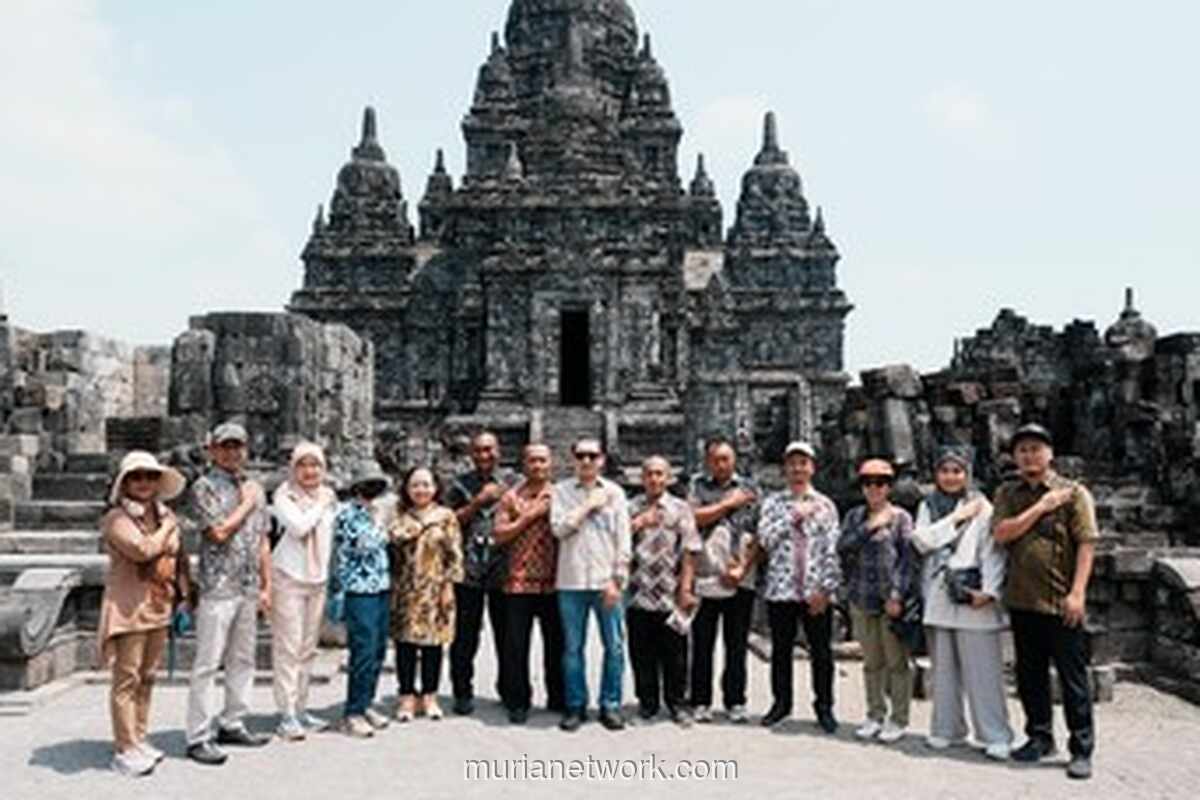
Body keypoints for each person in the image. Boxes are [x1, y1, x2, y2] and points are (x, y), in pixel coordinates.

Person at [993, 423, 1099, 780]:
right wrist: (1040, 507)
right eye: (1022, 450)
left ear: (1050, 454)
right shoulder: (1009, 493)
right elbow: (1002, 533)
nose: (1028, 456)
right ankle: (1039, 737)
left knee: (1073, 680)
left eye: (1035, 449)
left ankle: (1081, 748)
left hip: (1061, 602)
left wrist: (1078, 593)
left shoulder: (1074, 493)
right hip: (1023, 601)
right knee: (1030, 677)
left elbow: (1086, 543)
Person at [910, 445, 1013, 760]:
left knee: (983, 671)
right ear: (936, 474)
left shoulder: (982, 505)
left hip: (973, 595)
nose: (951, 477)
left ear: (966, 474)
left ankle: (995, 733)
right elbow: (922, 541)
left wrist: (991, 591)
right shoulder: (928, 505)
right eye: (945, 470)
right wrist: (956, 517)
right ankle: (947, 728)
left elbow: (993, 551)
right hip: (940, 594)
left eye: (957, 471)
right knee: (943, 671)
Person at [185, 422, 273, 765]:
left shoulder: (255, 488)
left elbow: (263, 538)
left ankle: (233, 720)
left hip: (249, 585)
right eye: (225, 446)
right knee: (207, 662)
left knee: (243, 658)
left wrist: (267, 585)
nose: (232, 452)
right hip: (218, 585)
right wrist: (247, 504)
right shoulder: (203, 487)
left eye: (238, 446)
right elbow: (218, 532)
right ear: (212, 450)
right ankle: (198, 735)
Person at [99, 451, 188, 776]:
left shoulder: (162, 516)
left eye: (150, 477)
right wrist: (167, 528)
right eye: (137, 477)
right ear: (124, 483)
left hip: (157, 603)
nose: (144, 483)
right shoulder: (116, 519)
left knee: (148, 675)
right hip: (128, 605)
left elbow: (174, 552)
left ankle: (139, 735)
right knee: (127, 677)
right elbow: (141, 549)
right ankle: (124, 746)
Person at [756, 440, 841, 732]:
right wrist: (793, 517)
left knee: (822, 653)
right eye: (792, 463)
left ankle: (825, 706)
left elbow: (832, 550)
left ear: (812, 468)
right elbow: (765, 539)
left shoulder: (826, 505)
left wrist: (827, 589)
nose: (797, 468)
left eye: (803, 463)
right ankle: (781, 704)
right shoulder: (772, 503)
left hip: (815, 590)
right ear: (785, 468)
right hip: (782, 588)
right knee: (781, 650)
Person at [551, 438, 632, 732]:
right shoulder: (560, 492)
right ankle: (576, 704)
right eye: (581, 455)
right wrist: (587, 506)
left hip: (605, 581)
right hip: (571, 580)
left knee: (614, 646)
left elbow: (623, 541)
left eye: (592, 456)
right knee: (573, 648)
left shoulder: (616, 494)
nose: (586, 461)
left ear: (602, 460)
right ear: (573, 459)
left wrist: (617, 580)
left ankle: (610, 704)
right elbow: (558, 529)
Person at [837, 458, 916, 744]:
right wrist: (871, 526)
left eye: (880, 483)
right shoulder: (855, 516)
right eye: (868, 483)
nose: (874, 488)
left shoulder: (901, 518)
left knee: (897, 662)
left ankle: (899, 718)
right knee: (871, 662)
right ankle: (874, 714)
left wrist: (898, 595)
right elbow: (842, 546)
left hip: (890, 600)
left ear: (889, 487)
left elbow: (908, 560)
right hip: (861, 596)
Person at [686, 437, 760, 724]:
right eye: (715, 459)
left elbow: (758, 533)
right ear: (707, 461)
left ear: (734, 461)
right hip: (706, 573)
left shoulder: (751, 488)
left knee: (736, 643)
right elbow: (694, 518)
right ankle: (700, 700)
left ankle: (735, 700)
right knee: (702, 643)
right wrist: (730, 502)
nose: (721, 464)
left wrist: (743, 568)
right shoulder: (697, 486)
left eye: (726, 459)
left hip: (740, 576)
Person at [269, 441, 338, 740]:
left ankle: (301, 707)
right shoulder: (284, 495)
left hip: (317, 578)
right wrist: (321, 505)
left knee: (308, 647)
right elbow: (298, 527)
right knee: (288, 647)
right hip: (289, 576)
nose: (310, 471)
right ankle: (286, 713)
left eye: (316, 465)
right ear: (294, 469)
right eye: (304, 465)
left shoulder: (329, 497)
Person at [444, 432, 516, 715]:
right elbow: (448, 521)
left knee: (507, 636)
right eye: (479, 451)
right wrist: (476, 503)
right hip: (468, 570)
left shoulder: (513, 483)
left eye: (489, 449)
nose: (485, 455)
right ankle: (462, 691)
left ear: (499, 451)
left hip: (504, 570)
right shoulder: (460, 485)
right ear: (471, 454)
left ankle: (509, 690)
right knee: (465, 636)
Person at [627, 456, 701, 727]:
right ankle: (647, 704)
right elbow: (615, 544)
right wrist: (637, 523)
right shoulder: (630, 507)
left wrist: (686, 587)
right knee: (641, 652)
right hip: (638, 591)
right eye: (649, 474)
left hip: (670, 591)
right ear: (642, 478)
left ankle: (677, 703)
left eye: (660, 474)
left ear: (668, 478)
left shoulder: (680, 508)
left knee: (676, 653)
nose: (655, 479)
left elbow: (690, 550)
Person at [493, 444, 564, 724]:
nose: (537, 465)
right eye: (532, 460)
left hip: (555, 581)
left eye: (542, 460)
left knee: (556, 644)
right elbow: (499, 534)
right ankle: (518, 700)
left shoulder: (563, 496)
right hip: (518, 582)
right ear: (523, 464)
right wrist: (530, 516)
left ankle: (557, 696)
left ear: (551, 464)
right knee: (516, 646)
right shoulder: (510, 497)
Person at [390, 467, 464, 722]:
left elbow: (454, 555)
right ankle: (407, 697)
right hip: (405, 589)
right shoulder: (399, 516)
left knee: (433, 645)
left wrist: (449, 586)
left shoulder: (446, 517)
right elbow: (392, 550)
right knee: (405, 646)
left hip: (435, 588)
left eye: (426, 485)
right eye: (415, 485)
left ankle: (430, 695)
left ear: (435, 488)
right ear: (407, 489)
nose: (421, 490)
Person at [331, 461, 394, 738]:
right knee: (363, 651)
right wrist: (383, 526)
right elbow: (366, 544)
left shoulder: (372, 512)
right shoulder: (347, 513)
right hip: (359, 589)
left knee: (378, 649)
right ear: (356, 487)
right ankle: (353, 711)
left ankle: (366, 702)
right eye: (368, 485)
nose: (373, 490)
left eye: (377, 485)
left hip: (380, 586)